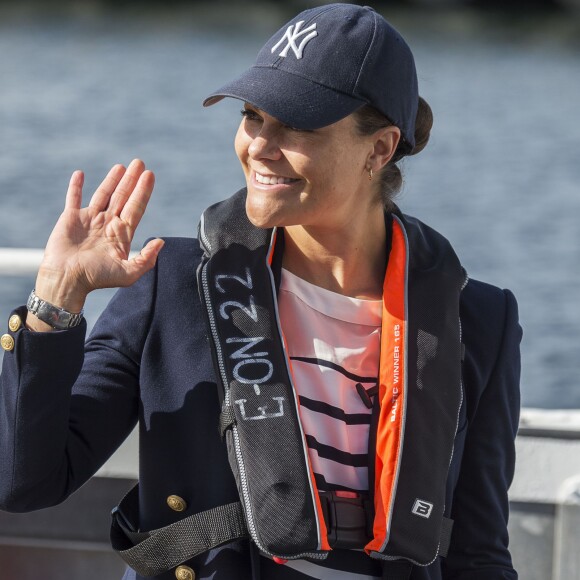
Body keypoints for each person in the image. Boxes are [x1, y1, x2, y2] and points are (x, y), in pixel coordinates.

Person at [0, 4, 521, 580]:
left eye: (296, 126)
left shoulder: (480, 321)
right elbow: (23, 482)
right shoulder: (171, 283)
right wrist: (56, 302)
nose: (260, 147)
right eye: (252, 116)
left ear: (379, 149)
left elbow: (479, 555)